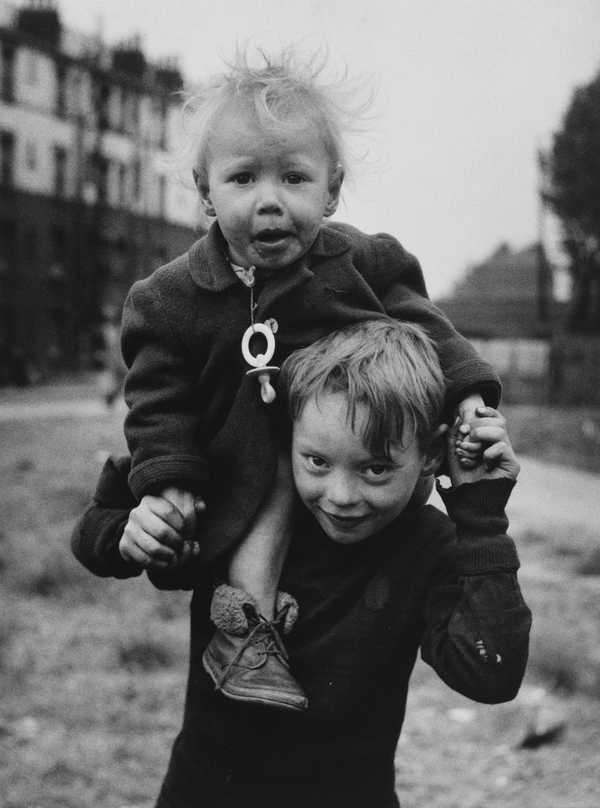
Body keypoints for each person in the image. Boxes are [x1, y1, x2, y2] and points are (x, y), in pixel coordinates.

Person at [120, 49, 502, 710]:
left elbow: (429, 327)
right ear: (205, 190)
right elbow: (159, 401)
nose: (270, 201)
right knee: (263, 480)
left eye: (294, 178)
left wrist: (468, 396)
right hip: (248, 470)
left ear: (331, 187)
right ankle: (250, 630)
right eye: (243, 179)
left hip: (342, 451)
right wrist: (168, 479)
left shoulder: (360, 260)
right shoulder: (168, 299)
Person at [72, 319, 531, 808]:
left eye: (375, 469)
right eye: (316, 461)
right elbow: (96, 525)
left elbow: (492, 676)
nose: (341, 496)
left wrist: (480, 517)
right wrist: (129, 534)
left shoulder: (428, 546)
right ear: (290, 433)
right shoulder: (238, 490)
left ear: (432, 454)